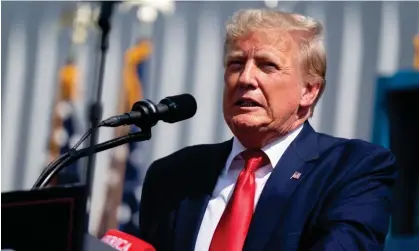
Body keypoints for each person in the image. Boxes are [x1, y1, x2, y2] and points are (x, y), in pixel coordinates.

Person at [139, 8, 397, 251]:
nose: (245, 78)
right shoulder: (173, 175)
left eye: (267, 65)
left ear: (309, 90)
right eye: (236, 64)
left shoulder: (351, 168)